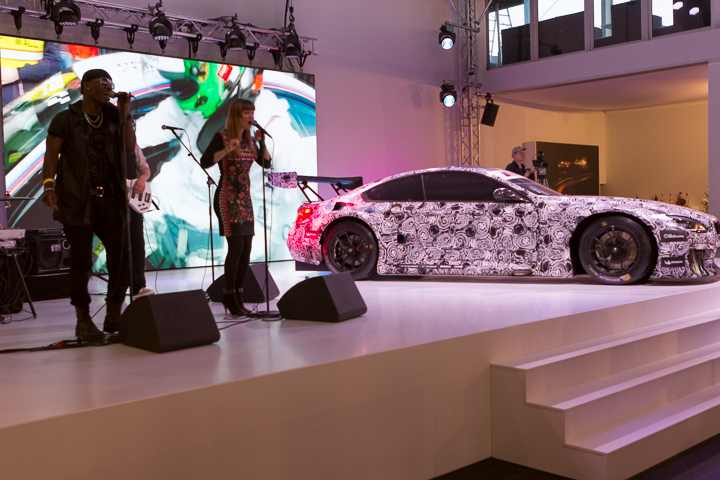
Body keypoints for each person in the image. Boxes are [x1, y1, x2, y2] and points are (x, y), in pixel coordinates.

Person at [41, 69, 135, 342]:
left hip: (110, 199)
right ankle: (83, 321)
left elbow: (129, 148)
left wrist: (125, 113)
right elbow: (52, 157)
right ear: (85, 87)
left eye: (111, 83)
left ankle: (114, 314)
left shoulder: (114, 117)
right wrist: (48, 186)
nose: (109, 87)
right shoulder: (65, 119)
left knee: (122, 257)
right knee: (81, 262)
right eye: (103, 83)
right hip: (77, 200)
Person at [200, 99, 272, 316]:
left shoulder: (249, 141)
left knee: (247, 247)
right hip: (227, 197)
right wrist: (227, 149)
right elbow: (205, 161)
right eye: (247, 113)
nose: (251, 117)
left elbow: (266, 163)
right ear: (237, 116)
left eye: (253, 113)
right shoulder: (222, 137)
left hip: (244, 199)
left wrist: (261, 142)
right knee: (236, 247)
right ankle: (229, 294)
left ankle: (239, 295)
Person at [128, 143, 155, 299]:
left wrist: (142, 179)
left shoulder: (131, 143)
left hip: (132, 201)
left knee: (138, 242)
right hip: (111, 202)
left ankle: (139, 286)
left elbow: (145, 168)